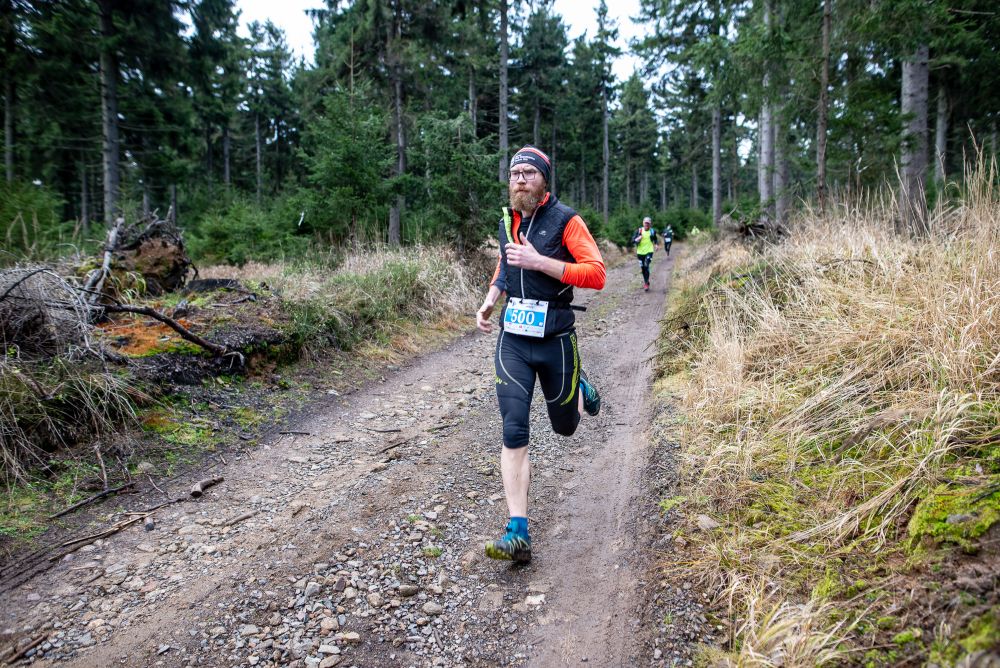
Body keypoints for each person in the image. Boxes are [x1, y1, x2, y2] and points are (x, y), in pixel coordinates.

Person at [475, 145, 606, 563]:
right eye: (515, 174)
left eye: (529, 173)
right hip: (513, 339)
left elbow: (597, 274)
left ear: (543, 180)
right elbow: (505, 265)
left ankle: (579, 384)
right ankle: (518, 532)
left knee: (565, 427)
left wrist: (541, 262)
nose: (520, 180)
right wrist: (491, 299)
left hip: (556, 338)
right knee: (513, 428)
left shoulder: (566, 220)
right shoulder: (507, 221)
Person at [632, 216, 658, 291]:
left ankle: (646, 283)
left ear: (650, 224)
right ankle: (646, 281)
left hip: (649, 251)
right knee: (643, 268)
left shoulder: (652, 231)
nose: (647, 224)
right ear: (643, 223)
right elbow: (632, 240)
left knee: (646, 265)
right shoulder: (639, 231)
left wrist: (656, 244)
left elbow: (655, 238)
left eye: (648, 223)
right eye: (645, 223)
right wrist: (638, 238)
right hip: (640, 253)